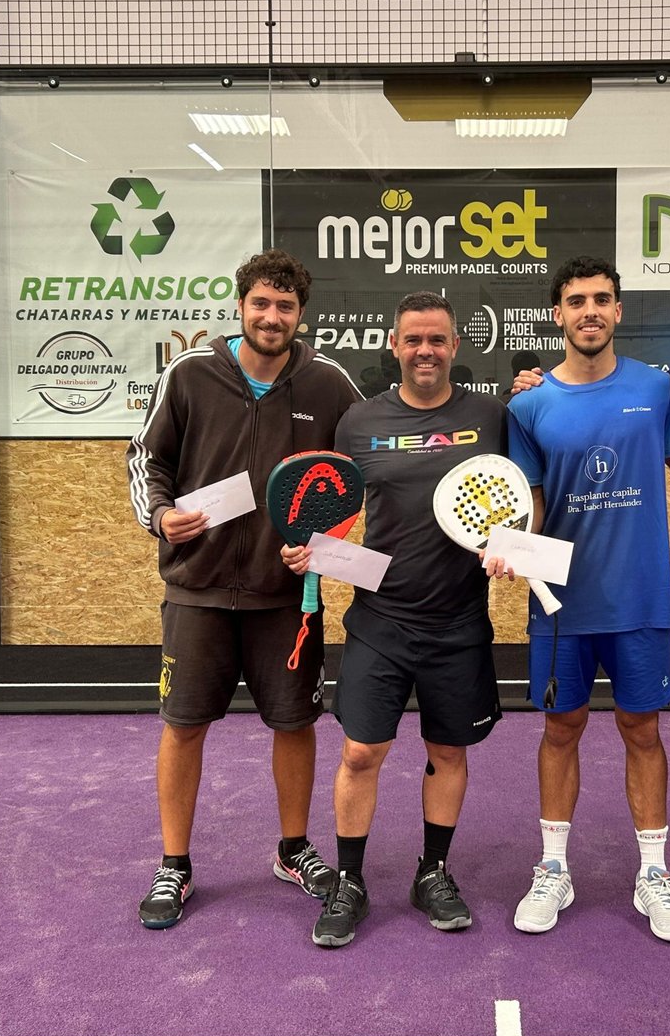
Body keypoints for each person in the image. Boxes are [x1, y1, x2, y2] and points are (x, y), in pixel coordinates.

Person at [126, 249, 362, 929]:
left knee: (294, 725)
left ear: (300, 315)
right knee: (183, 727)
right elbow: (147, 457)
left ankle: (293, 849)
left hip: (285, 599)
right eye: (261, 303)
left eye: (285, 307)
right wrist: (160, 516)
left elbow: (358, 469)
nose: (272, 316)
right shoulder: (192, 372)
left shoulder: (328, 384)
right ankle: (175, 863)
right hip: (196, 591)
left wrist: (328, 544)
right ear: (240, 306)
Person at [282, 291, 507, 948]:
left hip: (460, 618)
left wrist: (515, 546)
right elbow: (336, 505)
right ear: (394, 345)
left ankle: (433, 872)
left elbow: (523, 496)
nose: (426, 351)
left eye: (437, 340)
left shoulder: (491, 417)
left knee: (448, 750)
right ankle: (349, 880)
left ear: (455, 346)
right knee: (361, 752)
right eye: (414, 340)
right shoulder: (358, 421)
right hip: (379, 617)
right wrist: (312, 548)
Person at [503, 256, 670, 944]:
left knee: (644, 731)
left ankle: (653, 873)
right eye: (576, 300)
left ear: (618, 311)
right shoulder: (527, 406)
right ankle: (553, 866)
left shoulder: (657, 389)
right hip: (560, 606)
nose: (589, 310)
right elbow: (529, 507)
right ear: (557, 315)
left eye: (602, 300)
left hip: (640, 598)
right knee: (561, 730)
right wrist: (507, 551)